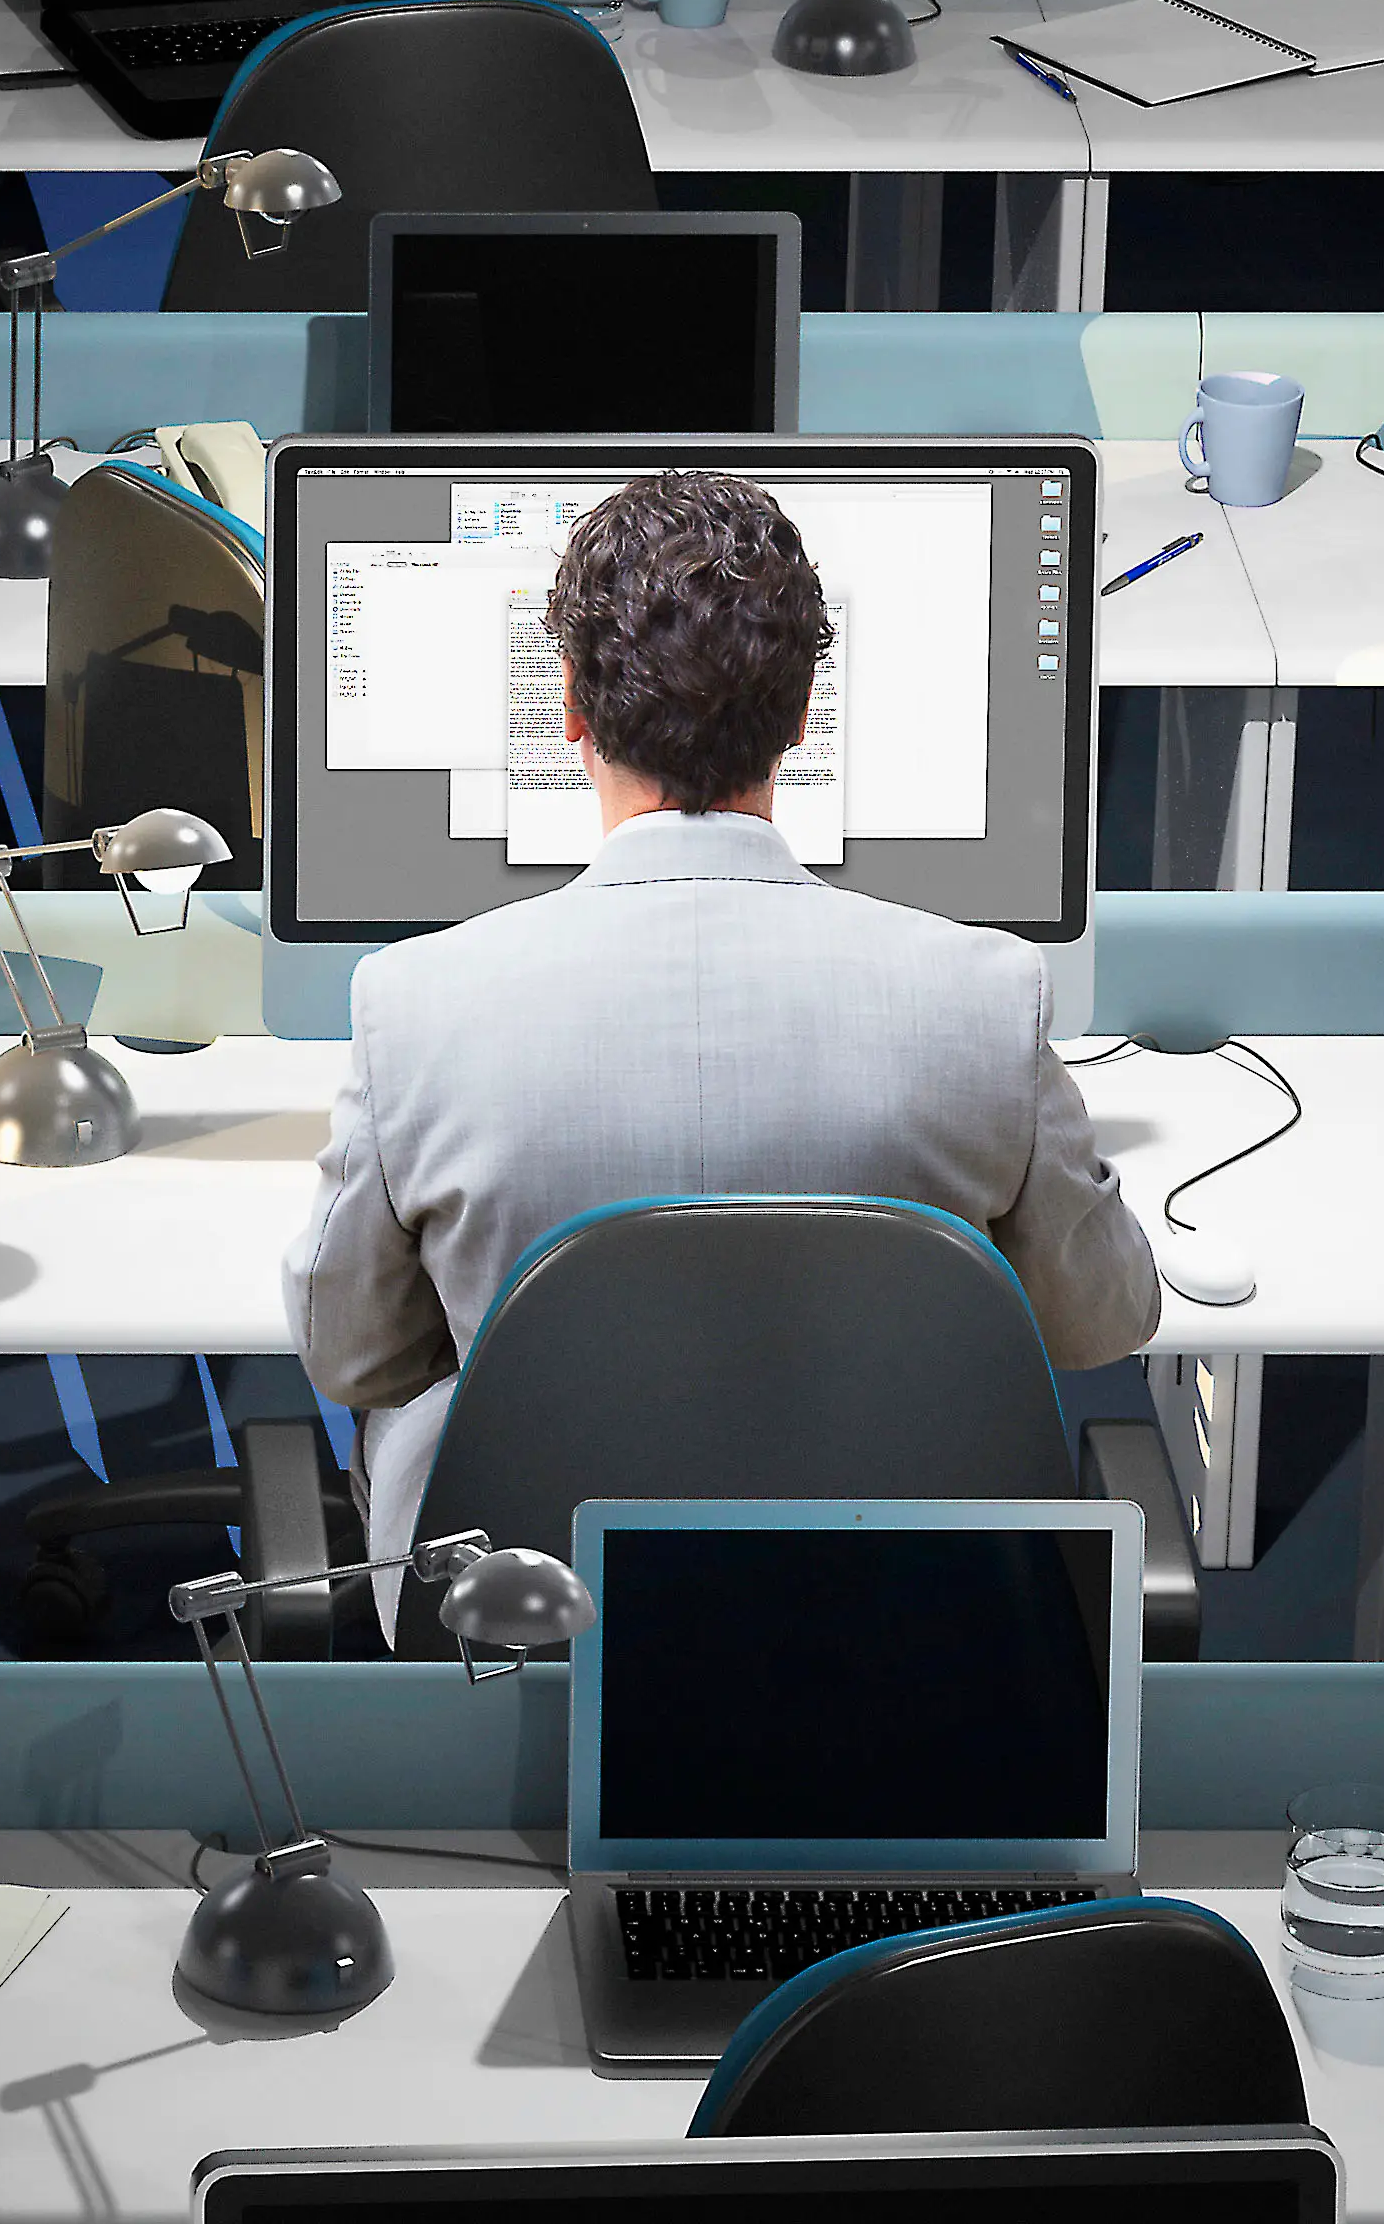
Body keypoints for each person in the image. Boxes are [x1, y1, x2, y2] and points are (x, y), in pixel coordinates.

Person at [285, 469, 1155, 1537]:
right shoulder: (987, 999)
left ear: (562, 705)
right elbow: (1100, 1321)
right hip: (894, 1605)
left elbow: (351, 1352)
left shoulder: (410, 1009)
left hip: (526, 1612)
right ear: (799, 716)